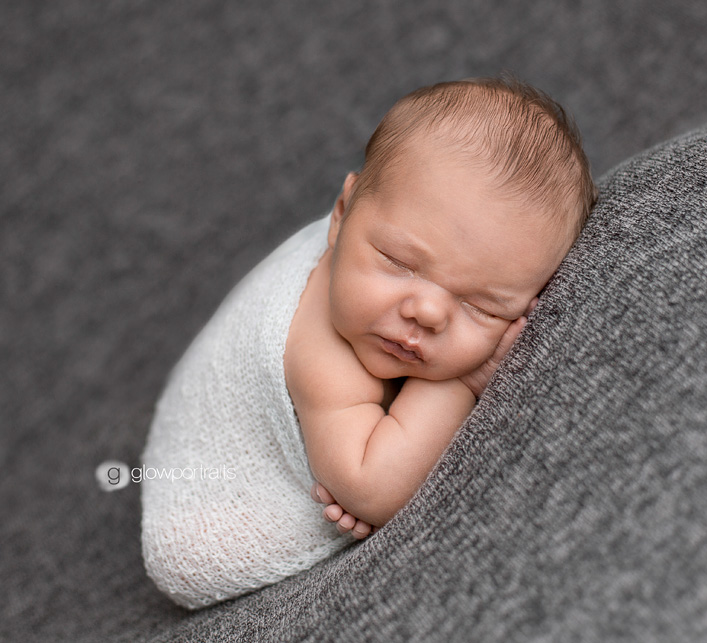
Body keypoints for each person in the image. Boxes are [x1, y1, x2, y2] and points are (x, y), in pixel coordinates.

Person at [140, 76, 596, 609]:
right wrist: (459, 385)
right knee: (193, 558)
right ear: (341, 215)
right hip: (203, 499)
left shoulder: (385, 247)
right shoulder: (323, 352)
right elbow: (376, 489)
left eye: (482, 306)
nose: (426, 312)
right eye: (400, 264)